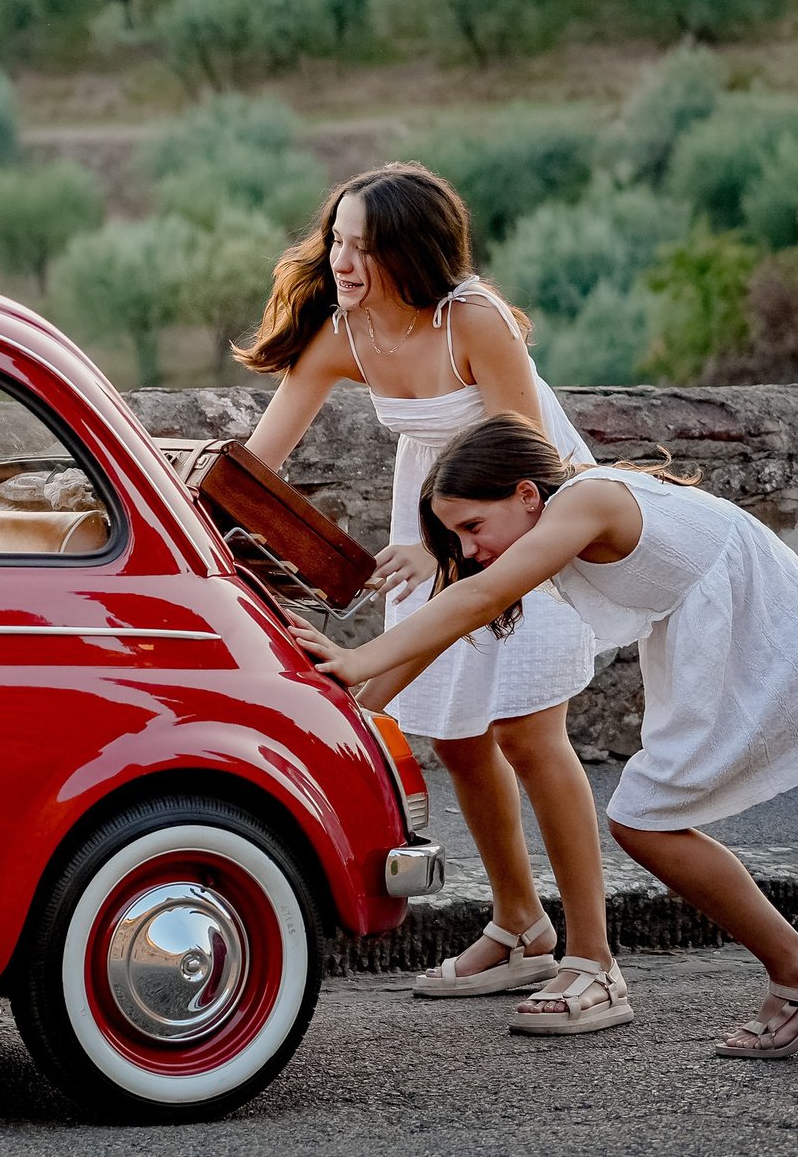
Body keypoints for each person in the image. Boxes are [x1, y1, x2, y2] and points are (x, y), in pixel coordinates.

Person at [294, 413, 798, 1056]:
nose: (467, 545)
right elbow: (458, 601)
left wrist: (358, 654)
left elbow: (483, 590)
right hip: (796, 624)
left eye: (472, 525)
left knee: (647, 818)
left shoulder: (587, 499)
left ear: (526, 494)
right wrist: (346, 699)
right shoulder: (551, 518)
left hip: (771, 641)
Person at [238, 163, 617, 1031]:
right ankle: (523, 928)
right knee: (451, 732)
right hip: (434, 520)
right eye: (338, 239)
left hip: (524, 516)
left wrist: (434, 541)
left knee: (528, 730)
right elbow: (258, 465)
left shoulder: (472, 320)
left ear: (411, 251)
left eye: (365, 246)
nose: (344, 259)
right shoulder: (346, 332)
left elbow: (530, 455)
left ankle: (596, 960)